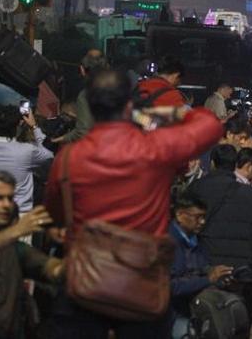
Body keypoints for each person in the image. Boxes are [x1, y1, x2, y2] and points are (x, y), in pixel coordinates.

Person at [44, 68, 223, 337]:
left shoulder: (68, 158)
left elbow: (55, 212)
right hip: (141, 288)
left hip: (86, 287)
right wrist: (157, 113)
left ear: (90, 105)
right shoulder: (156, 148)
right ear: (129, 104)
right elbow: (210, 124)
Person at [189, 144, 252, 331]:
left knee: (206, 321)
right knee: (239, 321)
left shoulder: (197, 188)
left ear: (212, 163)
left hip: (207, 264)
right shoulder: (248, 192)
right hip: (241, 269)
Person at [0, 171, 64, 339]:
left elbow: (48, 266)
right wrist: (15, 231)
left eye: (10, 198)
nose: (6, 204)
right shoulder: (9, 238)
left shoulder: (13, 248)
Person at [169, 193, 234, 339]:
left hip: (192, 313)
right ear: (180, 215)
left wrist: (218, 277)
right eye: (197, 217)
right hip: (171, 317)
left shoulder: (196, 240)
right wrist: (208, 279)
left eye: (204, 217)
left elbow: (202, 269)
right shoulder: (168, 243)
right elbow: (171, 286)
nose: (202, 222)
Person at [0, 105, 54, 217]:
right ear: (19, 124)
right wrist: (34, 126)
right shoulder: (27, 151)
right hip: (21, 216)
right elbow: (49, 154)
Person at [53, 49, 107, 144]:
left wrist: (61, 139)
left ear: (82, 70)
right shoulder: (117, 89)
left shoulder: (86, 95)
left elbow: (83, 131)